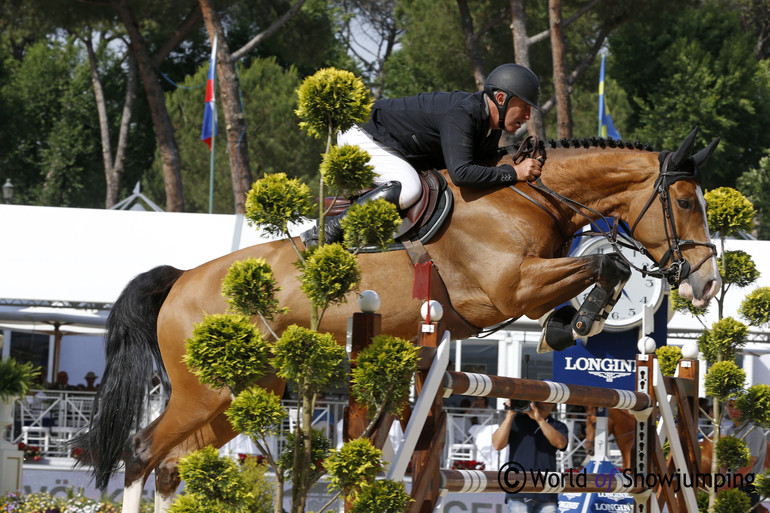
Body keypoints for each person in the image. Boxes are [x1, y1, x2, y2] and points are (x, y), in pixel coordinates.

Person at [301, 63, 545, 246]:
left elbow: (480, 169)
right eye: (523, 106)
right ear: (500, 98)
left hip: (393, 144)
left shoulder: (489, 127)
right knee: (409, 188)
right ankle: (326, 232)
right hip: (364, 134)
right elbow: (461, 173)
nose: (527, 116)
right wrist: (514, 172)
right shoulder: (463, 114)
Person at [492, 400, 568, 513]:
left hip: (547, 491)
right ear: (534, 400)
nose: (547, 401)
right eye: (543, 397)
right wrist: (510, 414)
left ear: (555, 403)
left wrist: (539, 419)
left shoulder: (558, 425)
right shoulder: (516, 420)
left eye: (551, 398)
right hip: (519, 490)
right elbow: (497, 445)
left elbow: (561, 444)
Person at [722, 398, 767, 510]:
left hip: (747, 489)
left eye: (738, 406)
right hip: (732, 486)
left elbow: (748, 465)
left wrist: (727, 486)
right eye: (730, 405)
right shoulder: (729, 431)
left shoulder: (753, 430)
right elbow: (724, 462)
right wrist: (723, 483)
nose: (733, 410)